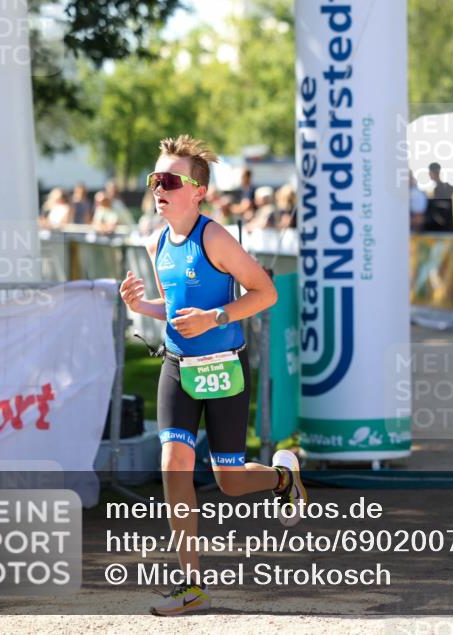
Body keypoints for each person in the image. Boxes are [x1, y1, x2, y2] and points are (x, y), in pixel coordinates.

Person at [118, 135, 304, 616]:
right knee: (173, 463)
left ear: (197, 190)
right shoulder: (156, 241)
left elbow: (264, 293)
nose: (158, 187)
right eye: (154, 179)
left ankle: (283, 479)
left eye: (169, 180)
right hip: (178, 367)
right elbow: (177, 311)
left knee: (230, 481)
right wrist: (143, 306)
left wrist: (217, 318)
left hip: (224, 368)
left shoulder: (215, 238)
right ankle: (191, 584)